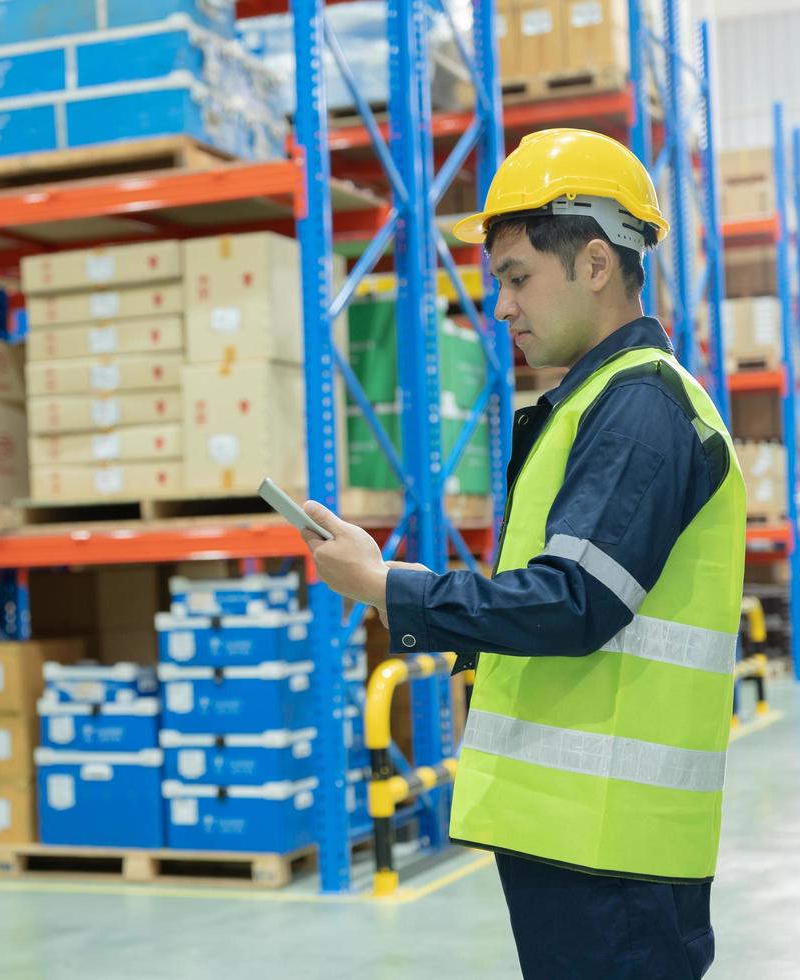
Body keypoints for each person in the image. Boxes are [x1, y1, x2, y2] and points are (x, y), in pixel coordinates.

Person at [301, 129, 746, 979]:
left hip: (610, 849)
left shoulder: (639, 408)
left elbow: (573, 602)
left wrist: (392, 588)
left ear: (594, 264)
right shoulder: (596, 406)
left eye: (515, 278)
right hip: (581, 835)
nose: (500, 306)